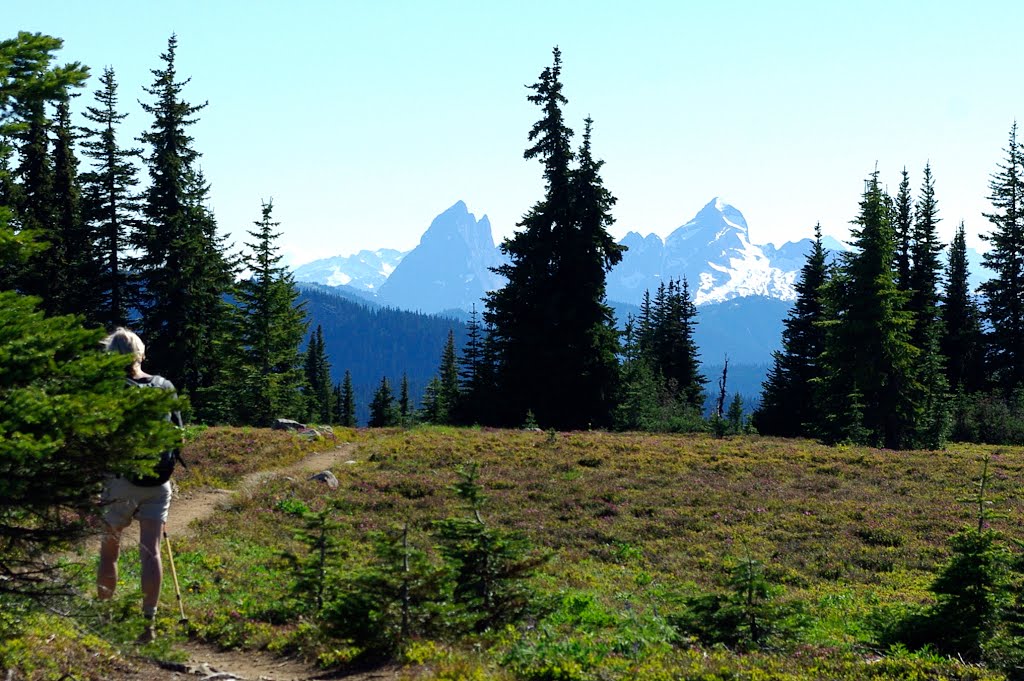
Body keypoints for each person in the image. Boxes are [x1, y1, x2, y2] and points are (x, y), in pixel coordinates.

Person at [97, 327, 182, 643]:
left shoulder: (111, 391)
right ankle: (148, 625)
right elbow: (178, 436)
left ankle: (104, 620)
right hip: (158, 483)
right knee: (151, 552)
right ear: (140, 352)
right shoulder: (164, 387)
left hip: (119, 480)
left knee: (110, 552)